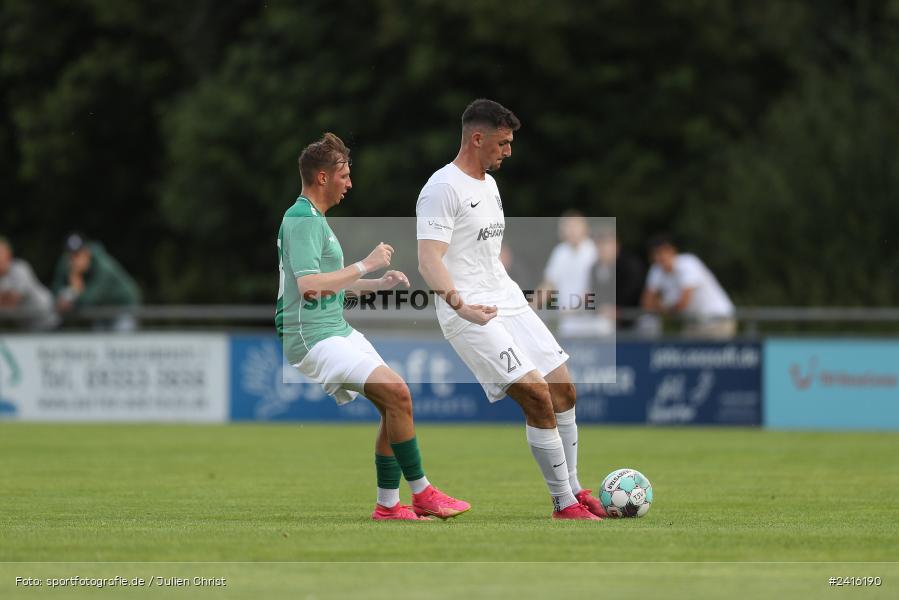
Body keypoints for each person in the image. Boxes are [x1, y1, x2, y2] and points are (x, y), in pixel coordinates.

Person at [416, 99, 605, 520]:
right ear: (477, 138)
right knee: (536, 395)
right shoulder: (442, 188)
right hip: (470, 310)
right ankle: (563, 504)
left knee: (563, 389)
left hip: (507, 300)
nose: (509, 151)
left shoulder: (489, 184)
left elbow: (484, 254)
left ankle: (575, 488)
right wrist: (459, 305)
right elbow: (429, 259)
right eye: (502, 143)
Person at [277, 132, 469, 521]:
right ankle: (422, 493)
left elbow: (328, 283)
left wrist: (374, 285)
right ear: (322, 178)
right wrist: (366, 265)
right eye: (344, 175)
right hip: (311, 335)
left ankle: (387, 506)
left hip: (334, 328)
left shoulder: (314, 219)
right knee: (397, 391)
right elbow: (309, 287)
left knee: (392, 402)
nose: (349, 183)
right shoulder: (300, 220)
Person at [641, 235, 736, 338]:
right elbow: (647, 302)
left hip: (718, 320)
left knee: (715, 354)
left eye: (661, 252)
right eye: (654, 254)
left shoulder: (688, 263)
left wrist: (663, 308)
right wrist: (663, 307)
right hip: (692, 323)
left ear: (671, 250)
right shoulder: (656, 270)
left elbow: (684, 302)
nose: (658, 257)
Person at [51, 233, 141, 331]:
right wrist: (60, 300)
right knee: (99, 340)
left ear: (87, 252)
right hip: (101, 310)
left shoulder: (104, 267)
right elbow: (55, 290)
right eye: (71, 255)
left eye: (78, 254)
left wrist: (75, 282)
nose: (75, 260)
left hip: (123, 307)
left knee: (121, 339)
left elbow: (90, 299)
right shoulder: (65, 264)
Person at [537, 211, 598, 337]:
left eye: (574, 226)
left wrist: (573, 309)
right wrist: (529, 307)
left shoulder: (594, 251)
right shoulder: (560, 252)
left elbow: (595, 287)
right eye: (567, 226)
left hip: (593, 323)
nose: (571, 230)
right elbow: (549, 284)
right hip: (568, 325)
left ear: (584, 228)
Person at [586, 229, 645, 334]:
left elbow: (634, 291)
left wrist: (619, 310)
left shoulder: (630, 265)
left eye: (606, 245)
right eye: (600, 246)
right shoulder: (595, 268)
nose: (603, 250)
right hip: (606, 319)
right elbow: (595, 293)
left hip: (634, 318)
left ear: (616, 246)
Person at [0, 236, 59, 330]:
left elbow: (13, 301)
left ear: (8, 254)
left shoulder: (20, 268)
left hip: (48, 321)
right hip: (28, 327)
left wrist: (5, 298)